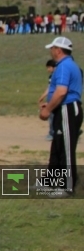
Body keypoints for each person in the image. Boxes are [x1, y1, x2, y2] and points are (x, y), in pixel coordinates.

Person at [39, 36, 83, 194]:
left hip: (67, 109)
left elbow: (62, 91)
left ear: (58, 50)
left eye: (52, 48)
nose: (51, 51)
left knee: (65, 148)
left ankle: (67, 186)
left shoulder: (64, 66)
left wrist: (48, 109)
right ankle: (51, 181)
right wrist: (51, 102)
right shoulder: (68, 65)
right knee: (57, 147)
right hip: (63, 108)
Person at [38, 59, 57, 141]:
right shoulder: (52, 76)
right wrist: (42, 97)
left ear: (54, 67)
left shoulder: (55, 76)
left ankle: (52, 133)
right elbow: (49, 88)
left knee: (52, 116)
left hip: (54, 99)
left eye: (49, 67)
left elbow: (51, 89)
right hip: (53, 98)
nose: (48, 70)